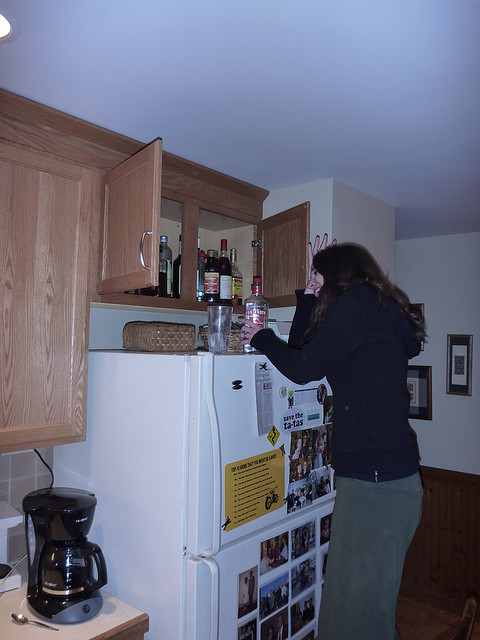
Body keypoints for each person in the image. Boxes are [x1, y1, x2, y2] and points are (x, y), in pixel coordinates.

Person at [240, 233, 426, 640]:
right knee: (358, 612)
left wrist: (259, 337)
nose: (317, 283)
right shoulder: (375, 308)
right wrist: (307, 295)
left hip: (377, 486)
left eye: (320, 276)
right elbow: (303, 352)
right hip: (382, 483)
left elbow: (302, 367)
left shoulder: (359, 303)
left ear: (339, 275)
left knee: (355, 619)